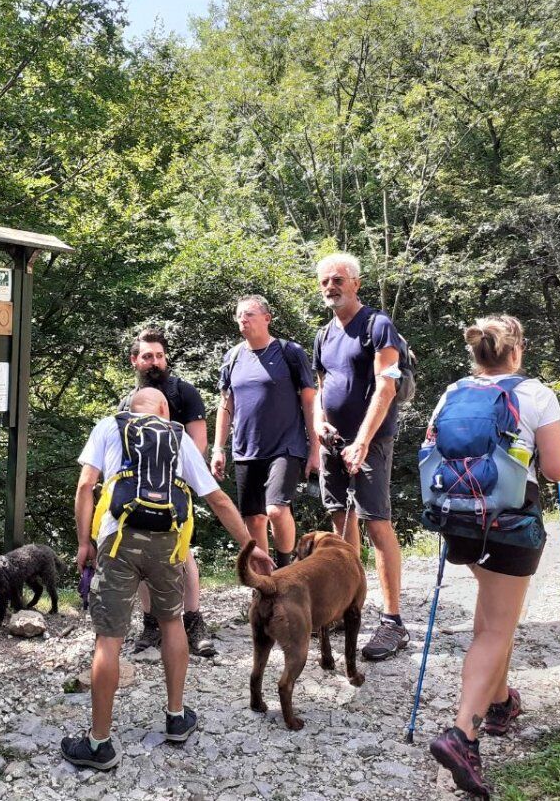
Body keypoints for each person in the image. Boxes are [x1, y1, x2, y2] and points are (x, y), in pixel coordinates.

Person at [63, 388, 273, 770]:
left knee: (108, 638)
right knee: (172, 622)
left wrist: (83, 542)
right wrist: (250, 546)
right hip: (168, 545)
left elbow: (84, 486)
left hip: (117, 541)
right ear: (163, 409)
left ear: (130, 408)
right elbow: (218, 499)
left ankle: (99, 744)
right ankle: (176, 717)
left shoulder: (110, 425)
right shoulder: (177, 435)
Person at [426, 316, 560, 797]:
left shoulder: (453, 391)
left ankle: (501, 702)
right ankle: (461, 734)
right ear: (517, 349)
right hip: (510, 524)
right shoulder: (535, 394)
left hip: (461, 523)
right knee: (496, 629)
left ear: (478, 353)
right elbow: (555, 469)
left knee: (491, 614)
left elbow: (431, 449)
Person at [312, 252, 409, 660]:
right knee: (341, 522)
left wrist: (363, 441)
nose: (331, 287)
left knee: (376, 523)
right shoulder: (323, 335)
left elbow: (386, 387)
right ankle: (348, 605)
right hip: (333, 442)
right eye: (325, 282)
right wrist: (318, 422)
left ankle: (392, 622)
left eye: (338, 279)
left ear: (356, 283)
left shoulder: (376, 325)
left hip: (372, 439)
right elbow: (321, 386)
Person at [120, 328, 215, 657]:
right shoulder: (126, 403)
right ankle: (150, 623)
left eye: (159, 355)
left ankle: (193, 620)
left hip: (176, 489)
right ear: (135, 360)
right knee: (141, 557)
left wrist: (187, 482)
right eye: (147, 356)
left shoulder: (185, 393)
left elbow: (198, 444)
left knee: (183, 553)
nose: (155, 362)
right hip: (137, 492)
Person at [212, 295, 319, 568]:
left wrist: (315, 449)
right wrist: (218, 448)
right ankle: (265, 582)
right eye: (239, 315)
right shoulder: (232, 357)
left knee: (276, 509)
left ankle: (287, 569)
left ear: (267, 318)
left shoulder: (289, 352)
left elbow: (310, 401)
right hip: (246, 449)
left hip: (286, 445)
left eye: (249, 314)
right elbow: (226, 405)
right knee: (254, 518)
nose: (242, 320)